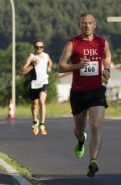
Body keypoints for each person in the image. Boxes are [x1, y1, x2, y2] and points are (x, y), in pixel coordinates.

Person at [58, 12, 111, 177]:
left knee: (96, 126)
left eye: (89, 23)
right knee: (80, 129)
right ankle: (81, 140)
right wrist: (78, 65)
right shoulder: (72, 44)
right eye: (83, 23)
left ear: (94, 25)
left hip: (96, 90)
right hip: (78, 92)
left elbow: (106, 56)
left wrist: (107, 69)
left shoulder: (102, 42)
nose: (86, 25)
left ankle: (93, 160)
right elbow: (60, 67)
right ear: (79, 25)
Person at [21, 39, 53, 135]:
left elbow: (50, 62)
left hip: (44, 82)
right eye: (37, 47)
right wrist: (32, 65)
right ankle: (35, 122)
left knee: (42, 102)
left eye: (41, 47)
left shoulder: (46, 55)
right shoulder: (31, 57)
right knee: (34, 104)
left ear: (43, 47)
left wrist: (49, 67)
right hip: (34, 83)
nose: (39, 49)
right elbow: (23, 71)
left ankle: (42, 125)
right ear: (34, 47)